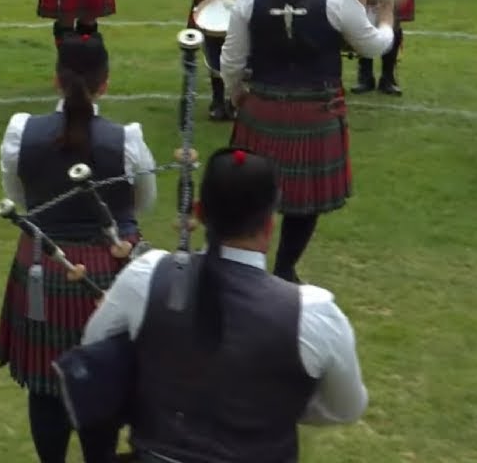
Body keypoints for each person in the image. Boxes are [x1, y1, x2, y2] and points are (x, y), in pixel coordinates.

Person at [82, 148, 369, 461]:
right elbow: (346, 408)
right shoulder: (314, 312)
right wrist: (275, 401)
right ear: (270, 223)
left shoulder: (145, 277)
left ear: (200, 212)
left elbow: (94, 352)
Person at [0, 32, 156, 463]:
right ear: (105, 83)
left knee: (45, 385)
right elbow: (142, 203)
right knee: (99, 379)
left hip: (42, 268)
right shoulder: (128, 141)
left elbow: (22, 196)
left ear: (56, 80)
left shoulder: (20, 133)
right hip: (110, 270)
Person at [220, 0, 395, 282]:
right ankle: (285, 268)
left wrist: (235, 92)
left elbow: (232, 59)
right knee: (304, 200)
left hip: (262, 107)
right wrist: (388, 16)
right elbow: (375, 46)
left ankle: (240, 268)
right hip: (316, 111)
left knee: (254, 193)